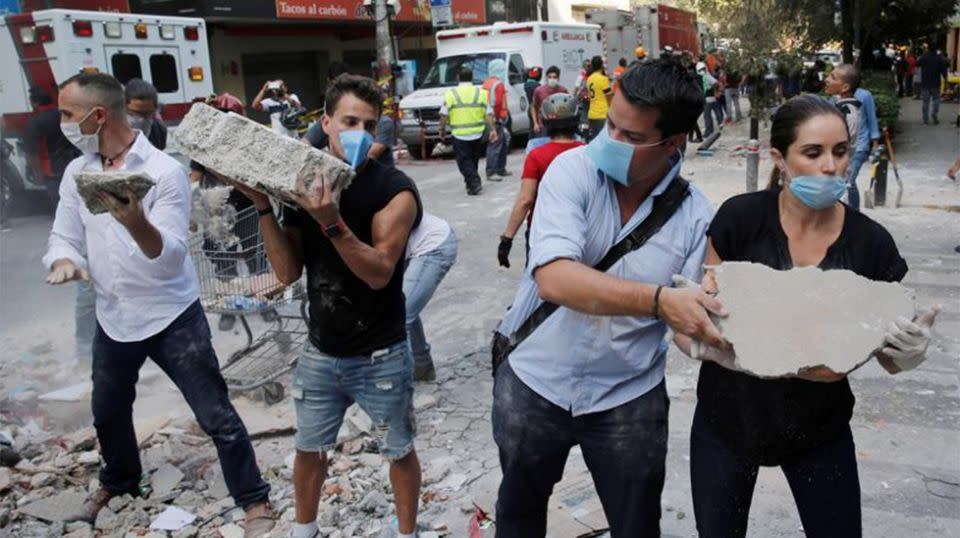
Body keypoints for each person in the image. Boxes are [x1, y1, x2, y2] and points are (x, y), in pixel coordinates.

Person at [675, 94, 938, 538]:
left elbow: (887, 357)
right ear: (780, 159)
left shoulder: (871, 246)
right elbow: (707, 313)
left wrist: (907, 353)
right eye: (812, 153)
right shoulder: (740, 219)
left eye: (840, 151)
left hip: (818, 429)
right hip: (728, 421)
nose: (831, 166)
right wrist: (698, 336)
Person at [491, 59, 723, 536]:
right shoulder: (570, 172)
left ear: (674, 143)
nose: (610, 142)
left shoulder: (697, 216)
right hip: (535, 380)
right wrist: (660, 301)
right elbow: (555, 279)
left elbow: (687, 320)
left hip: (627, 396)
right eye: (608, 124)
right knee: (518, 513)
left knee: (636, 524)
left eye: (632, 137)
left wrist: (710, 338)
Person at [43, 72, 275, 536]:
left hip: (172, 317)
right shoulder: (78, 171)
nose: (63, 123)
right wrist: (64, 258)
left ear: (98, 115)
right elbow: (63, 232)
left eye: (68, 114)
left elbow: (169, 257)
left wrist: (134, 222)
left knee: (215, 415)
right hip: (114, 318)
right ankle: (121, 482)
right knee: (108, 411)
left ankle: (254, 500)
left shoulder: (163, 171)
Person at [219, 74, 424, 538]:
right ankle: (303, 531)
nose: (360, 133)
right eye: (350, 120)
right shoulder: (304, 182)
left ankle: (407, 533)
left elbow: (378, 272)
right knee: (309, 449)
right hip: (321, 351)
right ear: (326, 123)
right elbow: (288, 272)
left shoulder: (395, 191)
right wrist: (263, 207)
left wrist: (331, 222)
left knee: (399, 450)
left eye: (370, 125)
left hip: (381, 353)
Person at [498, 92, 583, 268]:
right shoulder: (588, 153)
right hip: (580, 229)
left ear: (544, 122)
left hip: (542, 231)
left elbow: (526, 200)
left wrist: (507, 238)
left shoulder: (537, 156)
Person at [404, 212, 458, 382]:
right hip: (404, 248)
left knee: (397, 317)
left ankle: (399, 390)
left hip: (433, 246)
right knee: (403, 309)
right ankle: (422, 367)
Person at [439, 65, 497, 196]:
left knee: (464, 162)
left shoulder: (451, 94)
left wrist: (441, 129)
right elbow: (488, 113)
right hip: (477, 134)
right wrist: (492, 129)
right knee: (472, 160)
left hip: (460, 135)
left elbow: (443, 115)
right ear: (472, 78)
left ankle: (475, 182)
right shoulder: (481, 93)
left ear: (458, 77)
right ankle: (471, 185)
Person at [482, 58, 512, 182]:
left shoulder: (486, 83)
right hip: (496, 118)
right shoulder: (498, 84)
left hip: (489, 117)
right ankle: (492, 171)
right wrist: (500, 117)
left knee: (503, 143)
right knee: (495, 145)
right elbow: (497, 103)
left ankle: (500, 168)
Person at [124, 78, 167, 150]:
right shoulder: (111, 133)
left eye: (148, 114)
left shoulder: (159, 131)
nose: (142, 119)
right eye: (135, 113)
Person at [530, 66, 567, 138]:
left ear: (558, 78)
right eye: (550, 77)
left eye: (554, 77)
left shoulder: (563, 91)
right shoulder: (539, 91)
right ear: (546, 78)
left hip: (560, 125)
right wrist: (535, 123)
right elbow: (533, 106)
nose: (552, 79)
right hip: (544, 126)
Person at [918, 45, 948, 124]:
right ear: (936, 49)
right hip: (935, 83)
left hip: (925, 83)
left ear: (928, 49)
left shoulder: (924, 57)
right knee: (936, 100)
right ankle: (934, 113)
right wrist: (946, 79)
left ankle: (925, 119)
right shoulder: (939, 58)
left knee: (925, 102)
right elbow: (944, 70)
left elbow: (917, 63)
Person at [585, 55, 612, 141]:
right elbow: (609, 98)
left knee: (594, 140)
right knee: (604, 140)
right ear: (602, 65)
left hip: (592, 114)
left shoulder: (589, 79)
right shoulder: (603, 79)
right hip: (603, 114)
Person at [696, 62, 719, 138]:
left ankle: (709, 131)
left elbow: (716, 83)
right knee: (711, 115)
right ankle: (712, 130)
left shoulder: (705, 76)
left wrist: (715, 91)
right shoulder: (706, 75)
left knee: (707, 116)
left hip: (707, 99)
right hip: (710, 98)